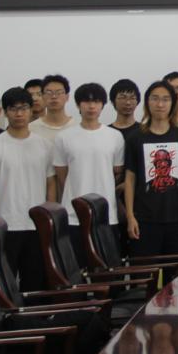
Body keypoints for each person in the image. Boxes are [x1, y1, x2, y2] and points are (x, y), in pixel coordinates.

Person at [0, 86, 56, 290]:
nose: (19, 113)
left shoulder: (45, 146)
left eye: (23, 108)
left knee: (35, 282)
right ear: (5, 112)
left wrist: (48, 217)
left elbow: (51, 183)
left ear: (31, 110)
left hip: (36, 225)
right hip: (5, 225)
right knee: (4, 282)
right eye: (13, 109)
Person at [125, 81, 178, 257]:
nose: (160, 104)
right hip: (144, 220)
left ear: (172, 103)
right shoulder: (135, 138)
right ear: (147, 102)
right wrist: (130, 217)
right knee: (146, 270)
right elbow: (130, 179)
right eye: (155, 98)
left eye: (165, 99)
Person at [53, 82, 126, 246]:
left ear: (103, 105)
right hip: (73, 214)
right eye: (86, 101)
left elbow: (117, 171)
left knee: (107, 260)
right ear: (78, 105)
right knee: (76, 260)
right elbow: (62, 175)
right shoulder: (64, 137)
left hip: (107, 213)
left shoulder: (115, 136)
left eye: (96, 102)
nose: (91, 106)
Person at [29, 74, 77, 142]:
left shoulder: (77, 127)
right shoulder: (30, 129)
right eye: (49, 92)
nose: (54, 96)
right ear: (43, 96)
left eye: (59, 92)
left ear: (67, 97)